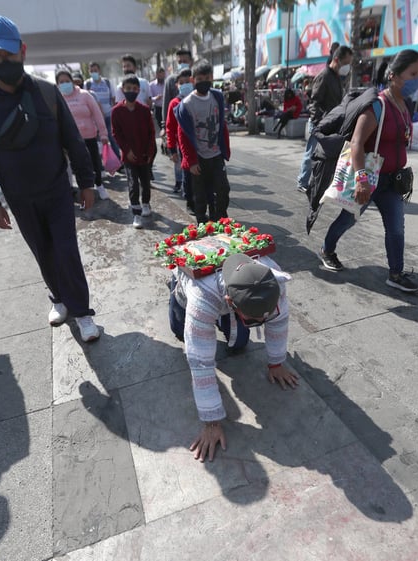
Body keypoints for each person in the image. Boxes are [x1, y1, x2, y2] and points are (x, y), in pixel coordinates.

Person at [0, 13, 100, 341]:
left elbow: (73, 140)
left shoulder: (47, 93)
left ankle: (82, 311)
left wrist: (87, 182)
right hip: (19, 197)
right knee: (43, 251)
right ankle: (58, 298)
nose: (3, 60)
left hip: (57, 190)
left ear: (22, 50)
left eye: (8, 53)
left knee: (66, 250)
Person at [168, 253, 297, 462]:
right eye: (255, 319)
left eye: (266, 315)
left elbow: (279, 322)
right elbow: (200, 361)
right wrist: (211, 422)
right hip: (193, 290)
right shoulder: (202, 297)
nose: (263, 321)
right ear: (230, 302)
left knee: (238, 344)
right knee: (179, 328)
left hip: (226, 300)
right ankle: (176, 291)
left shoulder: (273, 283)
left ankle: (223, 319)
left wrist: (276, 362)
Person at [317, 49, 418, 293]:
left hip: (392, 181)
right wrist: (361, 179)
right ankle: (327, 249)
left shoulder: (404, 105)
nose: (417, 80)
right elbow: (356, 143)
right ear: (394, 75)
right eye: (413, 74)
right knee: (347, 219)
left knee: (396, 228)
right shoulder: (378, 106)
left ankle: (396, 273)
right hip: (370, 178)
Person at [175, 60, 232, 224]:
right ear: (193, 80)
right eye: (200, 79)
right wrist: (190, 161)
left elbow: (222, 124)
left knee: (222, 189)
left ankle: (220, 219)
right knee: (200, 194)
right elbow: (183, 135)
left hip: (216, 154)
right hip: (198, 157)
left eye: (207, 78)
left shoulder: (217, 97)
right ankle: (202, 221)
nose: (204, 82)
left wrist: (225, 148)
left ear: (212, 78)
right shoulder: (186, 105)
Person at [296, 45, 354, 193]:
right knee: (311, 154)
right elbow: (315, 102)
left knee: (330, 157)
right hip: (321, 123)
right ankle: (303, 182)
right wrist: (318, 124)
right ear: (336, 60)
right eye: (346, 63)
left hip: (331, 123)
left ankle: (326, 183)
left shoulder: (337, 78)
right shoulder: (324, 76)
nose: (347, 67)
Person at [56, 68, 110, 200]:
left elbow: (97, 114)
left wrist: (103, 134)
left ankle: (99, 185)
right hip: (70, 140)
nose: (64, 84)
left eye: (67, 81)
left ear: (72, 81)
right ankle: (84, 191)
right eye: (61, 82)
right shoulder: (57, 98)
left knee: (94, 163)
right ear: (57, 84)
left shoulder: (84, 95)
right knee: (78, 167)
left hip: (89, 136)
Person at [111, 74, 156, 230]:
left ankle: (146, 204)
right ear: (123, 90)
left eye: (134, 89)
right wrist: (126, 150)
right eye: (128, 88)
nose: (131, 91)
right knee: (133, 184)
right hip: (129, 156)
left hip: (144, 154)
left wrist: (150, 151)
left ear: (139, 90)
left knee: (145, 182)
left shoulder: (144, 110)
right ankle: (136, 213)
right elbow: (116, 133)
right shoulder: (116, 111)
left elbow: (151, 132)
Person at [165, 68, 193, 200]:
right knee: (179, 166)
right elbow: (170, 126)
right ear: (177, 85)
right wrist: (171, 148)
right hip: (178, 143)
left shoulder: (197, 100)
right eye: (182, 82)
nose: (185, 84)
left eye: (188, 81)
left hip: (195, 142)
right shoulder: (174, 103)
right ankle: (179, 183)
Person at [84, 61, 120, 161]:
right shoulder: (87, 84)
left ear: (99, 71)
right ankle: (102, 164)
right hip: (95, 118)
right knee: (99, 141)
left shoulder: (107, 82)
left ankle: (118, 160)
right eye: (91, 71)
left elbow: (113, 98)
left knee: (112, 138)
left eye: (95, 70)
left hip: (108, 114)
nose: (93, 73)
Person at [162, 48, 193, 126]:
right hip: (176, 121)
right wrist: (164, 125)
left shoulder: (196, 78)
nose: (182, 64)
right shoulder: (170, 80)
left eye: (185, 61)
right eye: (179, 62)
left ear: (191, 62)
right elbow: (166, 104)